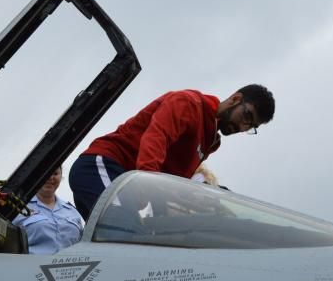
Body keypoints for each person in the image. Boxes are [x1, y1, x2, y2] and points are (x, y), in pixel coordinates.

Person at [68, 84, 275, 220]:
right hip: (103, 166)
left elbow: (170, 182)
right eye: (247, 116)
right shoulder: (189, 104)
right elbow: (155, 139)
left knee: (133, 243)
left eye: (252, 126)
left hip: (128, 186)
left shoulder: (211, 141)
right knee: (123, 230)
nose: (244, 127)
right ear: (236, 99)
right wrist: (148, 191)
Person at [14, 166, 83, 254]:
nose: (50, 177)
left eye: (55, 173)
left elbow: (82, 245)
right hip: (31, 266)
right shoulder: (19, 209)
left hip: (71, 267)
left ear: (61, 176)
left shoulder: (72, 211)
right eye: (45, 172)